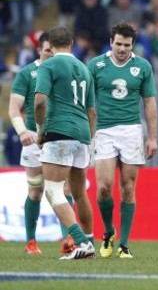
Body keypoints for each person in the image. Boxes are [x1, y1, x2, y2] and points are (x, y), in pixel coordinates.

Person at [87, 22, 158, 259]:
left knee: (128, 187)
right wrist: (88, 130)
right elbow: (86, 101)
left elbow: (149, 102)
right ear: (111, 42)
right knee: (104, 188)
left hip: (131, 131)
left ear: (132, 45)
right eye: (118, 44)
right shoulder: (96, 65)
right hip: (104, 131)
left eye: (127, 45)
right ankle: (108, 231)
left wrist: (153, 137)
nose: (122, 49)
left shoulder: (142, 66)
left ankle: (124, 244)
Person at [8, 32, 76, 255]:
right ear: (39, 50)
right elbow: (13, 108)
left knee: (64, 188)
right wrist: (22, 133)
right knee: (36, 190)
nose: (52, 53)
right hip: (33, 137)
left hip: (59, 134)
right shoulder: (27, 74)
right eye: (48, 50)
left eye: (54, 50)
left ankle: (68, 240)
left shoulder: (66, 70)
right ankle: (31, 243)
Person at [34, 26, 96, 260]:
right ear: (71, 43)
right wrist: (89, 141)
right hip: (82, 135)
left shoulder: (48, 65)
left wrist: (41, 130)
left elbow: (40, 102)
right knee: (80, 193)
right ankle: (89, 240)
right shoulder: (84, 68)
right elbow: (92, 111)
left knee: (53, 191)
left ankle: (80, 242)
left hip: (59, 131)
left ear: (51, 44)